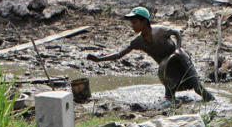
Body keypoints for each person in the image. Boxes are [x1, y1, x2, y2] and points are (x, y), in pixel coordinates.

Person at [87, 7, 215, 102]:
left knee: (198, 89)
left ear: (144, 22)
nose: (132, 26)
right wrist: (99, 59)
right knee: (169, 98)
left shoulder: (159, 30)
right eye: (131, 23)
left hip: (181, 60)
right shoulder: (138, 41)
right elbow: (120, 54)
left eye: (135, 22)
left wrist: (179, 48)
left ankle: (215, 104)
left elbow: (176, 32)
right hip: (167, 68)